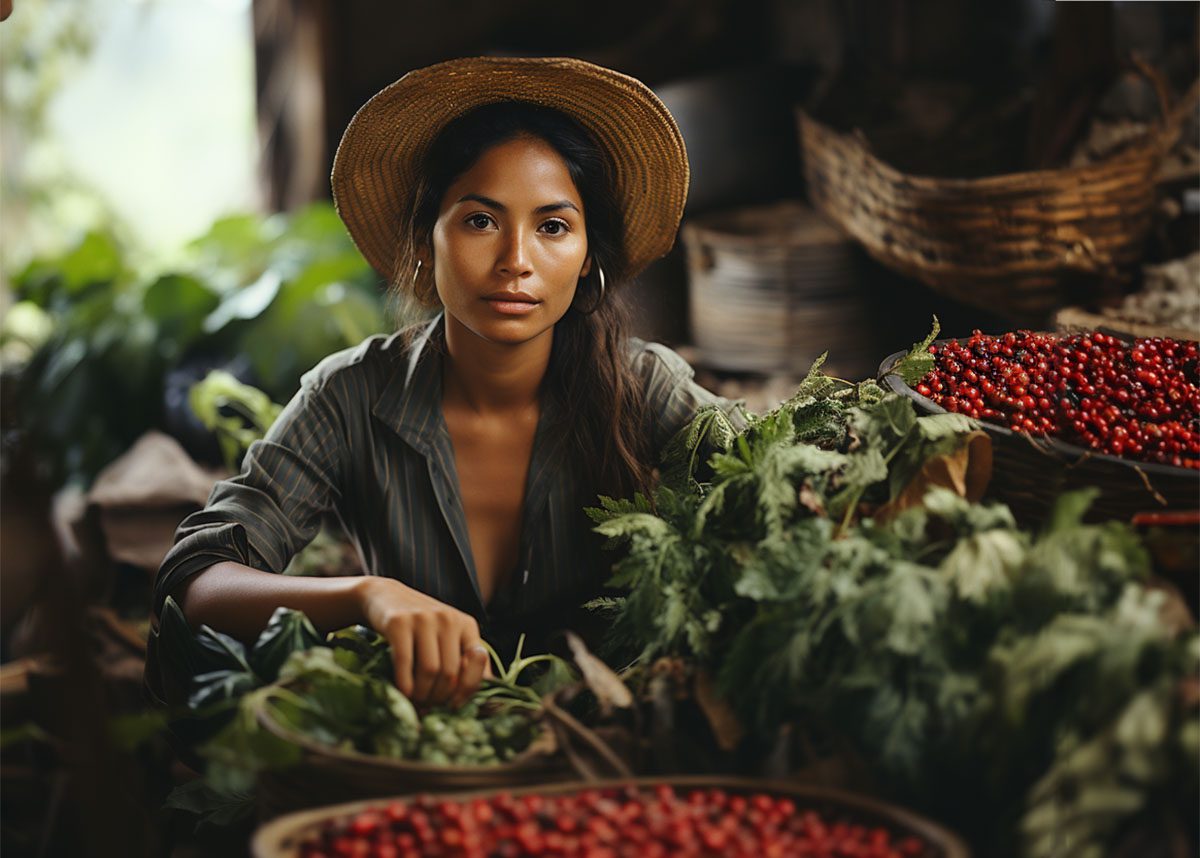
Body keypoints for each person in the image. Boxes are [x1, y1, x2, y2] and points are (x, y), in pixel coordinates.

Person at [151, 56, 742, 709]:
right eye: (480, 220)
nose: (516, 261)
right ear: (427, 242)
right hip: (413, 753)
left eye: (552, 227)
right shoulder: (350, 397)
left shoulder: (642, 386)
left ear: (586, 262)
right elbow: (195, 582)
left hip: (613, 756)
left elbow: (784, 475)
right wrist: (366, 597)